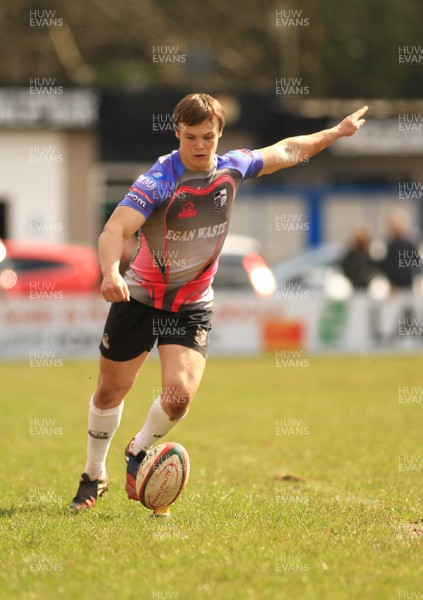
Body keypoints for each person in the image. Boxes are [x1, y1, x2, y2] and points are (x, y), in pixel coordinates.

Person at [69, 93, 368, 509]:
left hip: (191, 303)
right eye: (190, 136)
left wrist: (335, 132)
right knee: (109, 392)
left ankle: (136, 452)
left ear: (219, 134)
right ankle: (93, 474)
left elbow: (286, 150)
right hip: (140, 297)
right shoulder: (158, 180)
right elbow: (114, 230)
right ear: (178, 133)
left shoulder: (233, 166)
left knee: (179, 396)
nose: (199, 145)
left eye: (207, 136)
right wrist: (109, 272)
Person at [380, 211, 421, 288]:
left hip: (409, 287)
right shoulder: (387, 247)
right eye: (394, 226)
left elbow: (417, 267)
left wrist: (417, 281)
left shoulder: (410, 247)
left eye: (399, 226)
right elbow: (384, 268)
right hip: (392, 288)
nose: (397, 229)